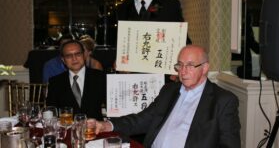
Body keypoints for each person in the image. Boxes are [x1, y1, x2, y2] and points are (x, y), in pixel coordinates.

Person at [95, 45, 241, 148]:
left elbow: (229, 145)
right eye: (180, 65)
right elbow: (142, 119)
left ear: (205, 68)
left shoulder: (223, 101)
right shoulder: (169, 91)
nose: (183, 72)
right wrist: (107, 125)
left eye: (190, 66)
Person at [46, 40, 106, 120]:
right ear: (63, 60)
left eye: (78, 54)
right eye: (68, 56)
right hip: (67, 129)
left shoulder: (100, 77)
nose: (74, 59)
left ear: (84, 55)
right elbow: (51, 112)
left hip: (95, 130)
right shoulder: (55, 82)